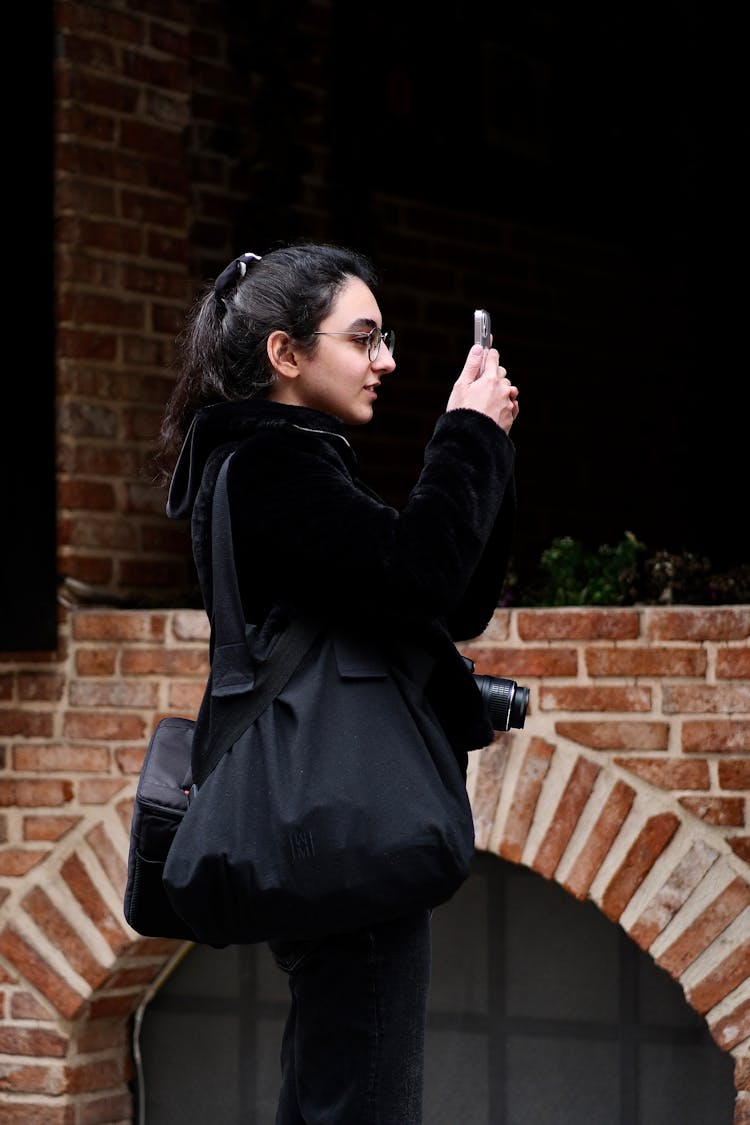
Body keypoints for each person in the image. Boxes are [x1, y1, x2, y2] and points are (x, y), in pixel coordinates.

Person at [156, 242, 519, 1124]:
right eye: (364, 339)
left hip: (337, 814)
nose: (386, 359)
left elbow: (448, 602)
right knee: (362, 1096)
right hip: (341, 816)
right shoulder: (276, 468)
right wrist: (464, 435)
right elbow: (414, 575)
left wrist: (489, 447)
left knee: (339, 1084)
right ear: (287, 354)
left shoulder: (290, 461)